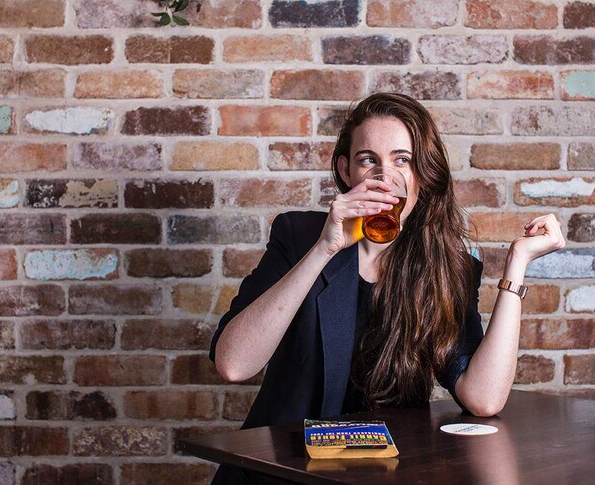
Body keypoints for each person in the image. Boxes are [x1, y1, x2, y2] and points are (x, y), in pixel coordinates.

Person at [208, 92, 565, 483]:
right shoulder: (299, 236)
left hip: (384, 474)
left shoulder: (449, 268)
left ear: (421, 176)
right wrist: (324, 250)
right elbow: (233, 364)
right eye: (368, 160)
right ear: (346, 171)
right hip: (283, 475)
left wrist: (518, 263)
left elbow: (483, 399)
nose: (385, 176)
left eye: (402, 160)